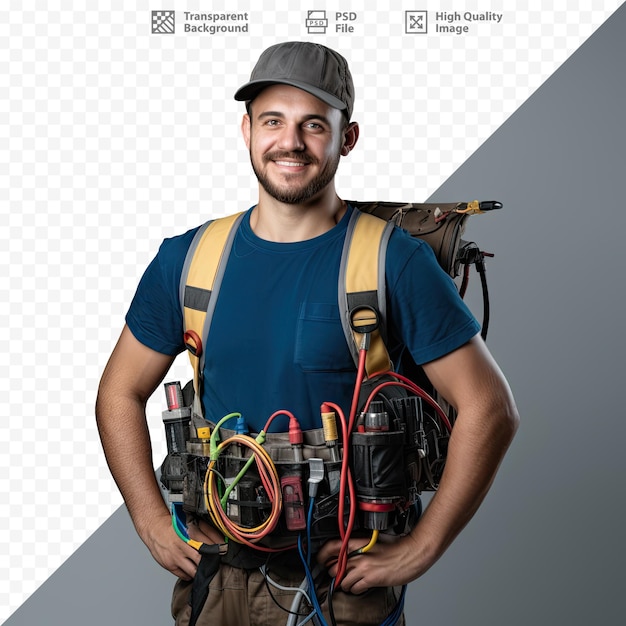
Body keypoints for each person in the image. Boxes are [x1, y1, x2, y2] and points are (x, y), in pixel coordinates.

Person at [96, 41, 519, 626]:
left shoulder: (392, 262)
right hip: (215, 577)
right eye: (273, 120)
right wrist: (147, 517)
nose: (290, 142)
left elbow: (490, 408)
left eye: (313, 125)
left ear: (348, 138)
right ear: (246, 129)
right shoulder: (186, 260)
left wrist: (422, 549)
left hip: (336, 585)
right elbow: (117, 391)